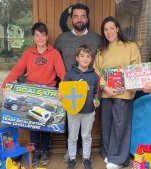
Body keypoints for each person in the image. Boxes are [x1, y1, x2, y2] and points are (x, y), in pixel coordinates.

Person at [2, 22, 66, 167]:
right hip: (32, 92)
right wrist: (5, 85)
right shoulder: (28, 53)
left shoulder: (54, 53)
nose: (40, 38)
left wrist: (65, 90)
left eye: (43, 35)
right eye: (37, 35)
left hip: (49, 93)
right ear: (33, 38)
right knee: (33, 124)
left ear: (47, 36)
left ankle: (44, 151)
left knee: (47, 126)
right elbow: (17, 70)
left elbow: (63, 74)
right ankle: (35, 152)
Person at [93, 16, 151, 169]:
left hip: (124, 93)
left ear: (118, 28)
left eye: (112, 28)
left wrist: (143, 84)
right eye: (105, 29)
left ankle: (119, 159)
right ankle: (108, 154)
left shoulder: (130, 46)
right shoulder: (102, 49)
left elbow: (136, 68)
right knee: (106, 124)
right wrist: (105, 86)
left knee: (120, 124)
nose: (109, 32)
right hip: (106, 93)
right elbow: (96, 70)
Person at [54, 3, 101, 162]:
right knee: (71, 121)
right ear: (71, 19)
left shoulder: (96, 39)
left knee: (86, 123)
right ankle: (71, 151)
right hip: (69, 88)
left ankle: (83, 151)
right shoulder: (62, 39)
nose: (79, 19)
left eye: (83, 16)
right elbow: (54, 60)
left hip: (89, 86)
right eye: (76, 16)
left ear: (87, 18)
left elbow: (103, 62)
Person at [58, 45, 100, 169]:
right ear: (77, 58)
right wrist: (61, 96)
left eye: (88, 56)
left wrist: (97, 100)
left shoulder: (94, 76)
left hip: (89, 111)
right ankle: (72, 159)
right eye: (82, 56)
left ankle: (86, 158)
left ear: (91, 59)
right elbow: (64, 90)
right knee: (72, 136)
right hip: (73, 111)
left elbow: (98, 92)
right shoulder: (70, 74)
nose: (85, 59)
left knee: (86, 136)